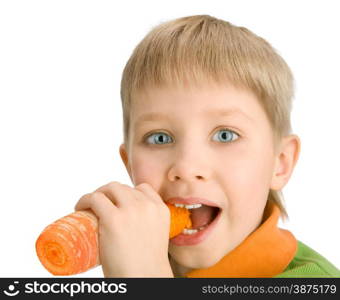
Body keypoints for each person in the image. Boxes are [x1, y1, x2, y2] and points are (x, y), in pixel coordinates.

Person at [75, 15, 340, 277]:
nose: (187, 167)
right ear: (129, 163)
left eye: (225, 135)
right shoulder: (131, 258)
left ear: (280, 162)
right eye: (160, 138)